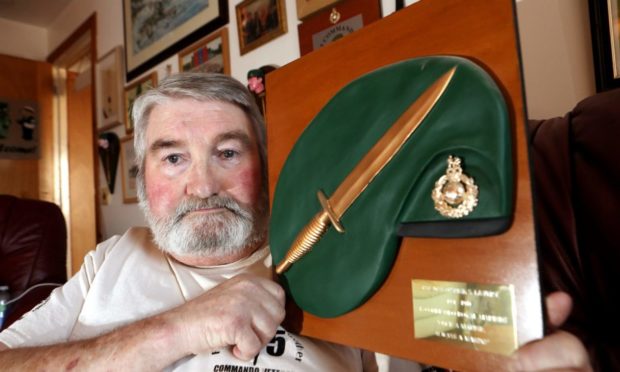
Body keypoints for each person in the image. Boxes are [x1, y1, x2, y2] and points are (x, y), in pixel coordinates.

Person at [0, 73, 592, 371]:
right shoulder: (111, 259)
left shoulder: (356, 258)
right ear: (139, 178)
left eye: (228, 153)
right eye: (173, 156)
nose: (202, 185)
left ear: (268, 167)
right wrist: (175, 330)